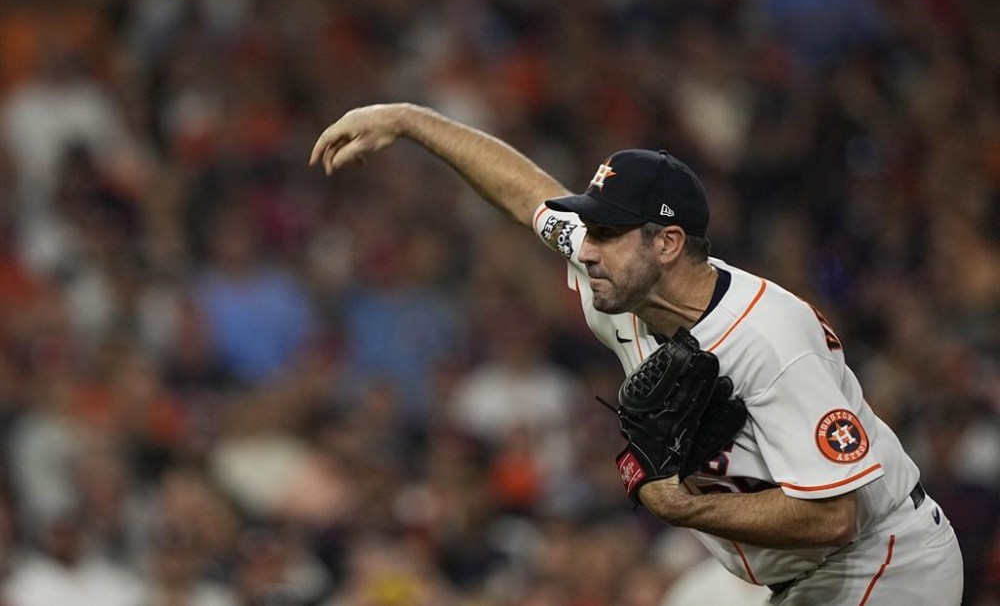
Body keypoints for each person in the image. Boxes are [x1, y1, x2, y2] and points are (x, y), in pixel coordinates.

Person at [309, 103, 964, 604]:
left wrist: (683, 507)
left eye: (607, 232)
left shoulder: (768, 340)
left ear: (668, 243)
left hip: (884, 565)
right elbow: (524, 193)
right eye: (588, 228)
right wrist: (410, 120)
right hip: (782, 576)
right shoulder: (617, 279)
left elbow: (835, 517)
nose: (585, 247)